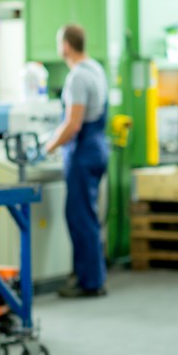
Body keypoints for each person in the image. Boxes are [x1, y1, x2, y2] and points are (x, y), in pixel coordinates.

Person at [45, 24, 109, 298]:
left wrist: (49, 146)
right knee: (88, 216)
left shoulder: (77, 78)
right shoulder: (96, 69)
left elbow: (72, 124)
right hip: (97, 148)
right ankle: (91, 276)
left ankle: (89, 282)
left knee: (80, 218)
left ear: (66, 46)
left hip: (83, 153)